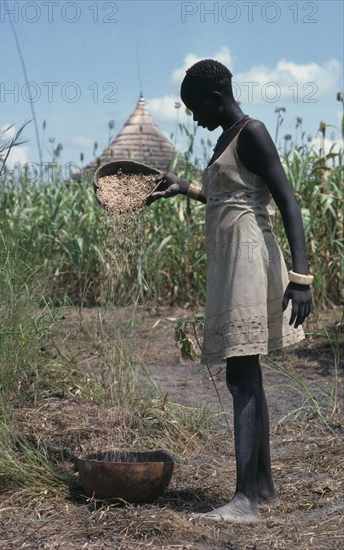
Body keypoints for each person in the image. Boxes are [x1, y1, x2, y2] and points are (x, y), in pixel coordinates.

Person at [147, 59, 313, 524]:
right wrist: (183, 187)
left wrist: (301, 279)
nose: (193, 117)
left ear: (215, 99)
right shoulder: (226, 138)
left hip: (250, 261)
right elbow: (229, 195)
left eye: (194, 107)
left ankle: (245, 501)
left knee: (241, 376)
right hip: (230, 264)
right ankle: (262, 488)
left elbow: (288, 202)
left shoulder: (252, 131)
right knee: (245, 376)